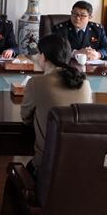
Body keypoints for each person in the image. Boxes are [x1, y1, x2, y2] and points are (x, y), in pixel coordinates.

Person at [20, 34, 92, 174]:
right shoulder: (85, 84)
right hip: (78, 167)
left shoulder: (36, 83)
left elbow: (25, 118)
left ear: (43, 57)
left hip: (46, 167)